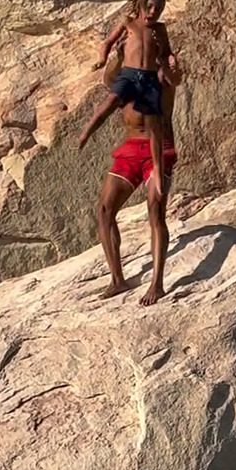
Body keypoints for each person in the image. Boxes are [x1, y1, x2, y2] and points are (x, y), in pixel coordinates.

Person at [89, 47, 181, 305]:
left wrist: (169, 61)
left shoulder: (160, 76)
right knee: (104, 209)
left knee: (155, 210)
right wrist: (118, 56)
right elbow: (109, 80)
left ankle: (157, 285)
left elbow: (174, 78)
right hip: (130, 150)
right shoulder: (128, 79)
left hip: (158, 150)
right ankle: (117, 280)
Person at [78, 0, 177, 196]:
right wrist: (102, 59)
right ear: (141, 5)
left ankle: (158, 171)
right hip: (130, 74)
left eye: (159, 9)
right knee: (110, 101)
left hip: (149, 77)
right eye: (150, 7)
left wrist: (171, 60)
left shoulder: (159, 29)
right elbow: (108, 42)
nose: (154, 12)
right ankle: (85, 133)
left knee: (154, 124)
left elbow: (168, 51)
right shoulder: (128, 23)